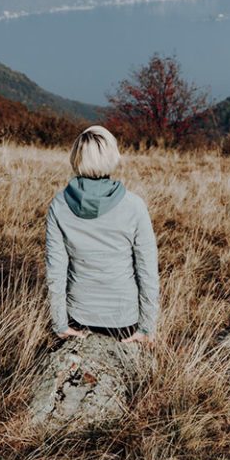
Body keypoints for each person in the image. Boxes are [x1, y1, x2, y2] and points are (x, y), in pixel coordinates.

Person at [44, 125, 159, 345]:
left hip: (78, 316)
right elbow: (148, 272)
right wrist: (147, 327)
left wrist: (60, 323)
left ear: (76, 157)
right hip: (124, 320)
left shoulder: (59, 205)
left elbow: (55, 272)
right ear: (113, 156)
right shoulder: (134, 205)